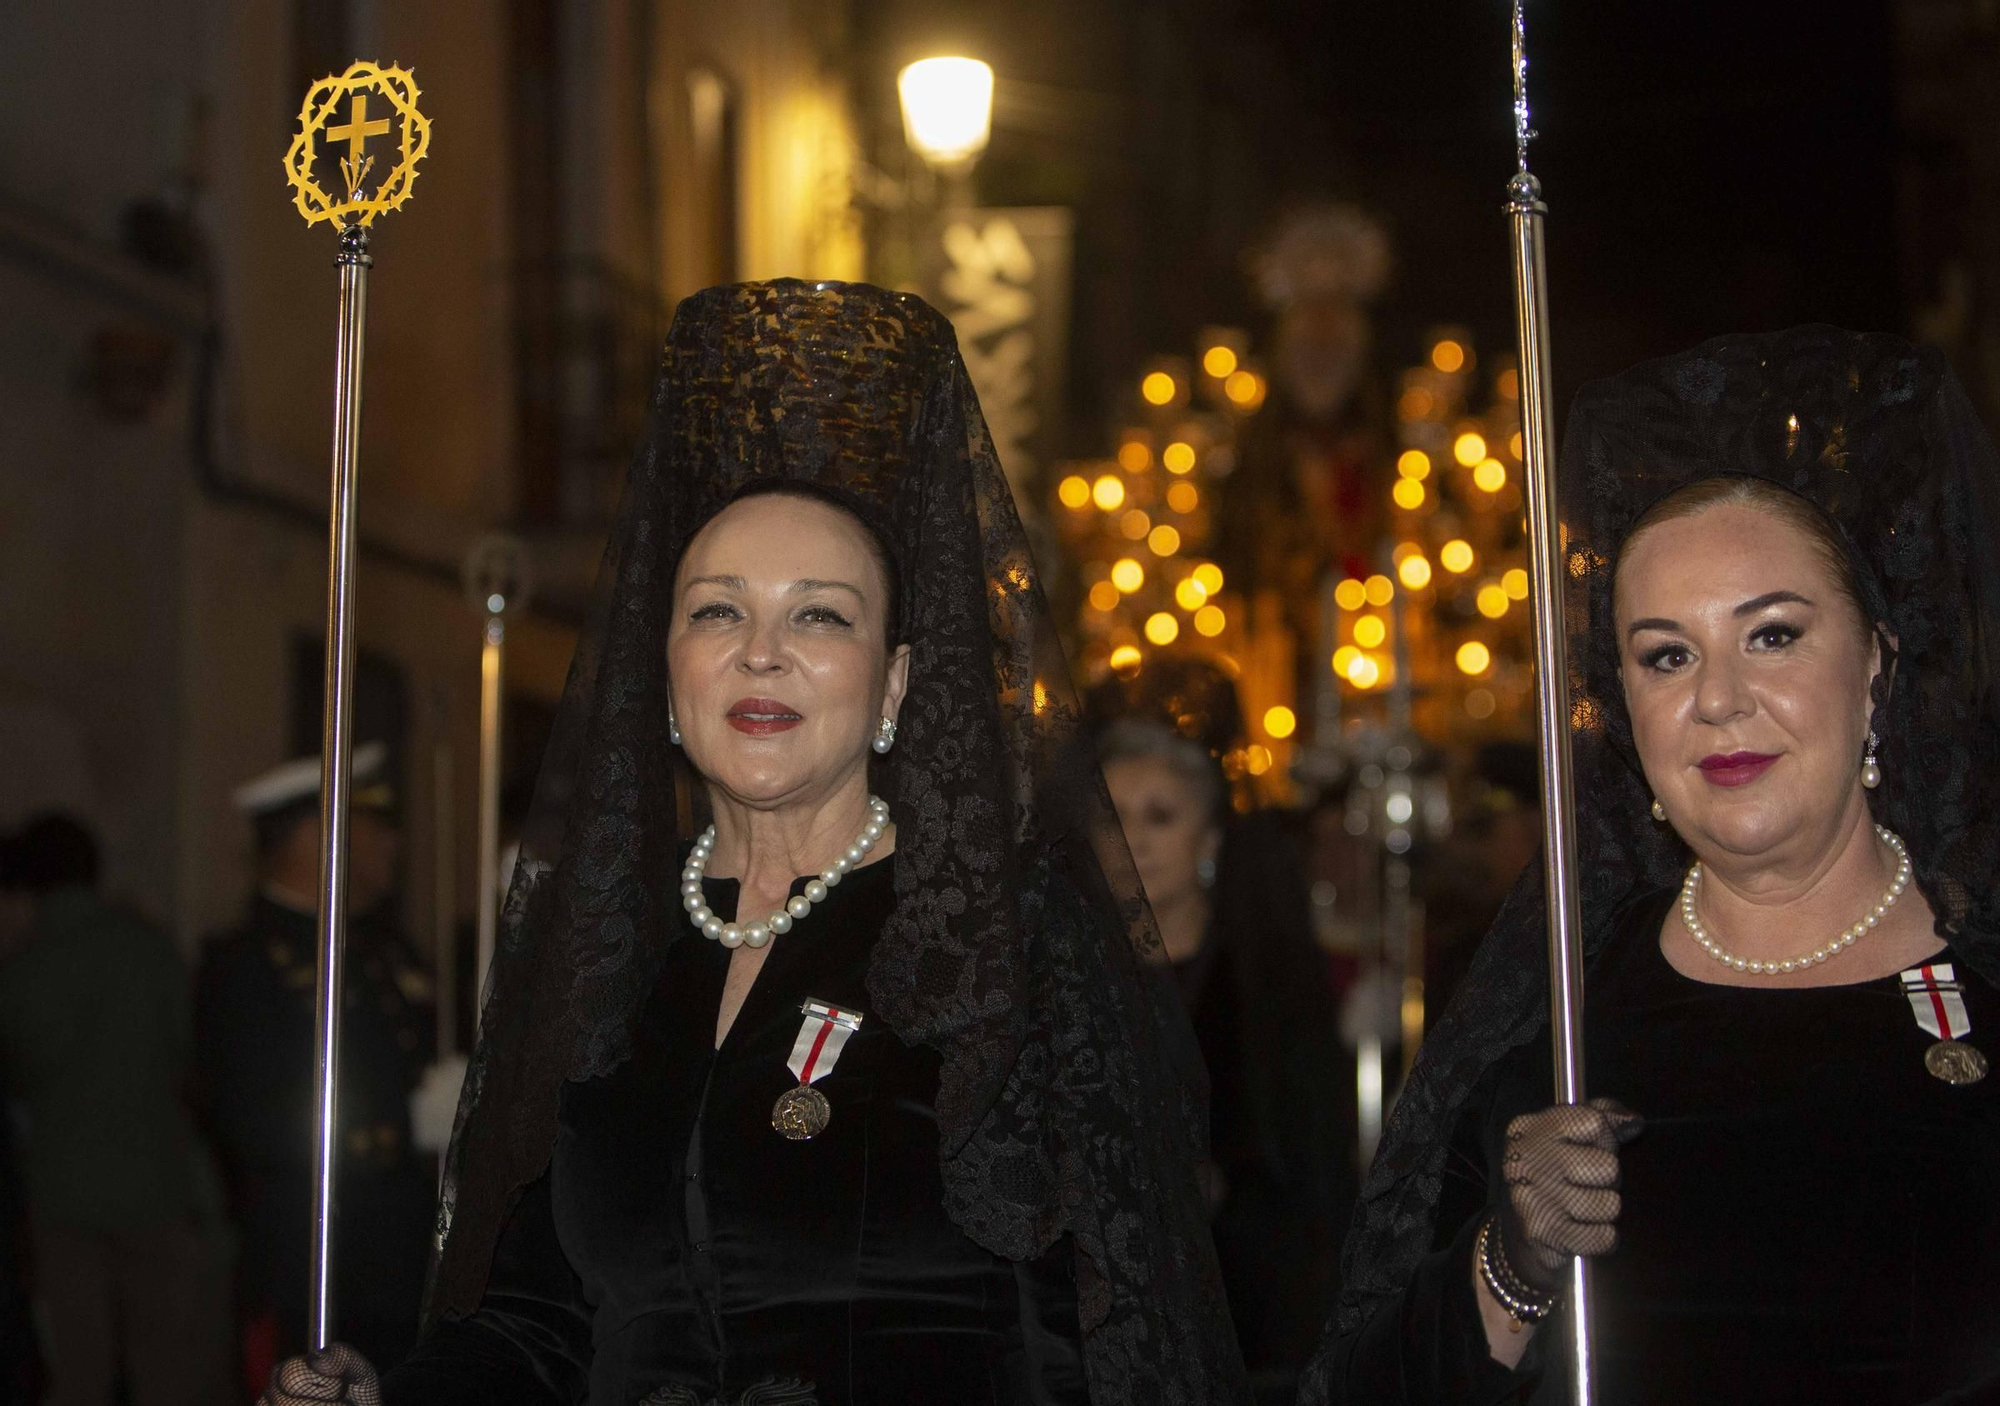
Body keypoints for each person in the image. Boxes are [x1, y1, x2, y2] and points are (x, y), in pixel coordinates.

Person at [259, 280, 1246, 1406]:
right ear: (665, 671)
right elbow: (538, 1330)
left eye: (819, 613)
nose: (760, 652)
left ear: (896, 684)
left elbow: (1119, 1336)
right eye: (717, 609)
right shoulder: (606, 959)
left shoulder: (1008, 946)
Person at [1299, 326, 2000, 1404]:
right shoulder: (1558, 1019)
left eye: (1769, 634)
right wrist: (1509, 1267)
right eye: (1664, 654)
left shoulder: (1983, 983)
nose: (1714, 699)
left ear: (1875, 664)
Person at [1087, 659, 1352, 1405]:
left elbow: (1314, 1165)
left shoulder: (1267, 986)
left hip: (1248, 1318)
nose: (1134, 839)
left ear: (1209, 838)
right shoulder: (1062, 980)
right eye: (1115, 816)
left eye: (1160, 816)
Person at [195, 743, 437, 1388]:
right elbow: (257, 1125)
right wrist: (401, 1121)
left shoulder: (386, 950)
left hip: (401, 1256)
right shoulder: (248, 965)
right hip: (312, 1261)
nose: (393, 842)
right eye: (373, 822)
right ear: (316, 833)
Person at [0, 813, 232, 1406]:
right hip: (155, 1185)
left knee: (78, 1370)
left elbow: (17, 1073)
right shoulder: (147, 946)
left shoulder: (24, 965)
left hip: (62, 1195)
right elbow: (189, 1052)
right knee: (167, 1370)